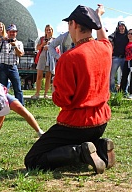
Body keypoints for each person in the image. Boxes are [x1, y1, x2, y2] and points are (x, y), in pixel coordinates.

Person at [25, 4, 115, 174]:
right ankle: (101, 146)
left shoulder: (69, 57)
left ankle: (81, 152)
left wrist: (54, 91)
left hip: (76, 124)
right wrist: (98, 16)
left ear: (73, 24)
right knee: (66, 143)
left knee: (32, 160)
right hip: (101, 122)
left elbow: (63, 99)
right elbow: (103, 37)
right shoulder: (105, 48)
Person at [0, 24, 25, 105]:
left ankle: (20, 105)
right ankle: (2, 104)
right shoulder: (2, 41)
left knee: (17, 87)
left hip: (13, 67)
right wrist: (2, 38)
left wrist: (15, 47)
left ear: (16, 33)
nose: (12, 33)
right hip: (3, 67)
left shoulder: (19, 43)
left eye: (14, 32)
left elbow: (21, 54)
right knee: (2, 88)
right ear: (8, 32)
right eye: (10, 32)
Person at [31, 24, 57, 99]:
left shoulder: (55, 39)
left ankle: (45, 94)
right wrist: (43, 44)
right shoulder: (42, 39)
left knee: (48, 76)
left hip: (50, 58)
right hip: (42, 57)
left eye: (49, 29)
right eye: (46, 30)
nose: (48, 31)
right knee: (39, 75)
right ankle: (37, 93)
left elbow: (56, 49)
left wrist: (49, 47)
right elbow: (37, 47)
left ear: (52, 31)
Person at [108, 21, 129, 93]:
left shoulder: (127, 35)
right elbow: (109, 38)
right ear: (118, 27)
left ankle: (124, 90)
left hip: (125, 58)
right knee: (112, 75)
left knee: (125, 76)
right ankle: (113, 91)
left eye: (123, 26)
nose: (121, 27)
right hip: (116, 57)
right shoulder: (115, 35)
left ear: (125, 27)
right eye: (120, 26)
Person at [120, 29, 132, 99]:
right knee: (124, 76)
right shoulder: (127, 43)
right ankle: (122, 91)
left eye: (131, 34)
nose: (130, 35)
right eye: (129, 34)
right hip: (127, 60)